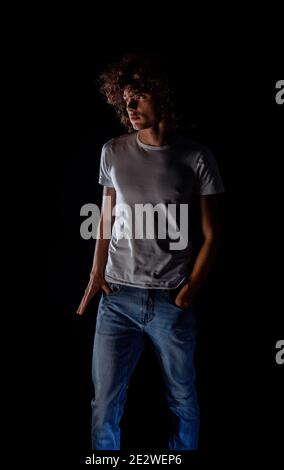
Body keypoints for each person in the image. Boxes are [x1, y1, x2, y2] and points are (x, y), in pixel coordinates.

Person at [76, 53, 225, 450]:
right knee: (104, 403)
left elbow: (214, 235)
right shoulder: (113, 152)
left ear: (163, 97)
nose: (130, 106)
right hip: (117, 298)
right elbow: (105, 222)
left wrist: (189, 290)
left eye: (139, 96)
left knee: (183, 400)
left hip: (170, 300)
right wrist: (96, 274)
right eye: (125, 98)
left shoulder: (196, 158)